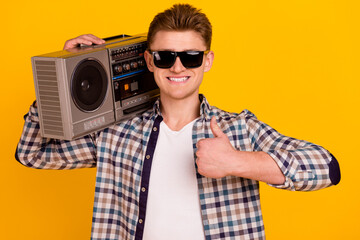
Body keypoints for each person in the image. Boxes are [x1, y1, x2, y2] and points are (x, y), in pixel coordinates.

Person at [16, 3, 341, 240]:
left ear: (207, 61)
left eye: (191, 56)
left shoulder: (239, 129)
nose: (177, 66)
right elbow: (34, 153)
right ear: (149, 60)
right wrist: (60, 85)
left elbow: (327, 168)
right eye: (164, 56)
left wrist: (237, 161)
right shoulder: (115, 135)